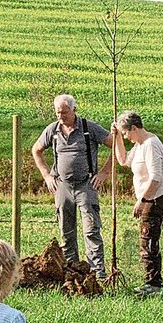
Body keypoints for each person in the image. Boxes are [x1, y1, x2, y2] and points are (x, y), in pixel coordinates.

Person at [31, 95, 114, 276]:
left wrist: (104, 173)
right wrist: (46, 175)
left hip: (86, 185)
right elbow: (36, 150)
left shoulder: (88, 128)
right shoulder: (52, 130)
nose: (61, 116)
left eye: (64, 113)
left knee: (91, 229)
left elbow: (115, 145)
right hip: (62, 185)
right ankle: (71, 271)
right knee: (66, 231)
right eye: (58, 112)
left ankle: (97, 273)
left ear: (74, 110)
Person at [110, 111, 163, 296]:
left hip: (156, 198)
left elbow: (155, 179)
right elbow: (123, 161)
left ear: (134, 128)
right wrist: (116, 138)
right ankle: (151, 281)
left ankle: (154, 284)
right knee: (146, 240)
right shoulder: (139, 145)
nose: (126, 137)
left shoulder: (151, 145)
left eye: (126, 133)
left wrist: (142, 201)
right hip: (149, 198)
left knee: (149, 240)